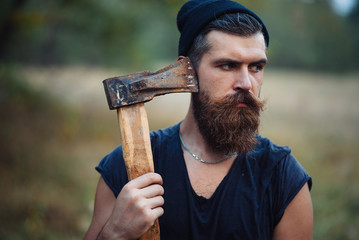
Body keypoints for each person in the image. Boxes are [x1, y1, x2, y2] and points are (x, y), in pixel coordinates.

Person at [84, 0, 313, 239]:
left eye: (256, 66)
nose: (246, 83)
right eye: (227, 65)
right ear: (187, 72)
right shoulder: (127, 168)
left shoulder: (282, 177)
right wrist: (114, 233)